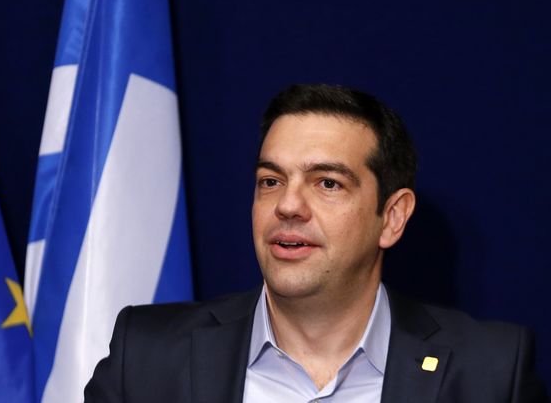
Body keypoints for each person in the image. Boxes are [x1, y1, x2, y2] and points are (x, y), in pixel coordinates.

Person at [84, 83, 549, 402]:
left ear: (392, 217)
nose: (288, 206)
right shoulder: (146, 357)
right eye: (270, 181)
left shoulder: (490, 372)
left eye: (327, 184)